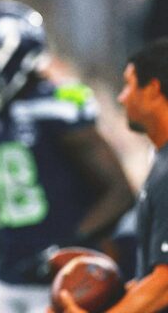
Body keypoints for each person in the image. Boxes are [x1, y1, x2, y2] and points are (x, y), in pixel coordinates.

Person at [0, 0, 135, 313]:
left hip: (63, 279)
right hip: (9, 274)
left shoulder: (56, 107)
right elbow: (8, 201)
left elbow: (119, 192)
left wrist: (64, 247)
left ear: (12, 57)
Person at [57, 38, 168, 313]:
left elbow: (164, 285)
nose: (122, 97)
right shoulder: (160, 160)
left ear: (153, 89)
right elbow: (152, 280)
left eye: (128, 85)